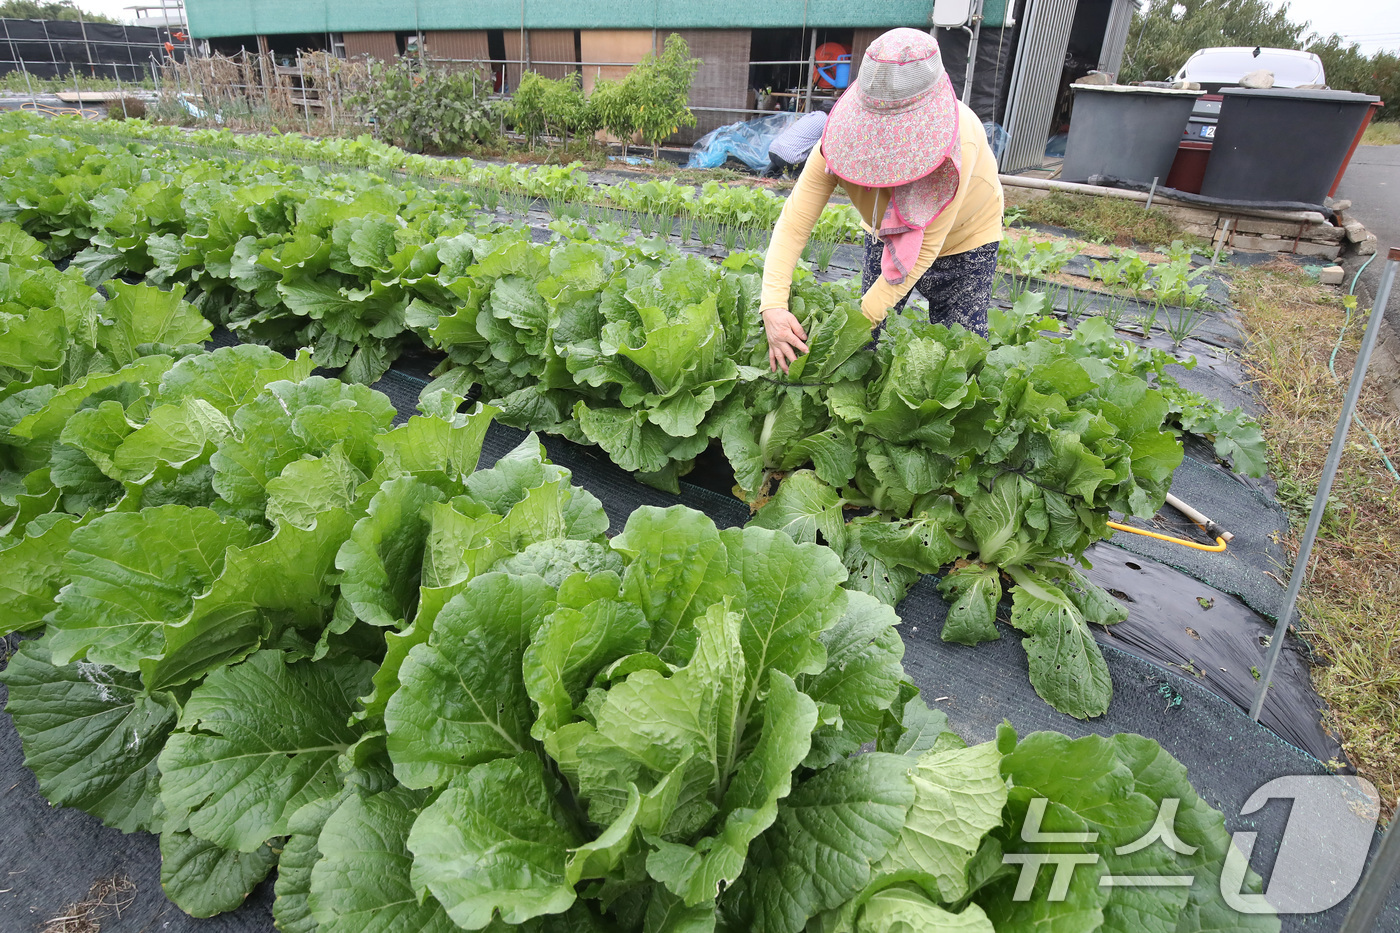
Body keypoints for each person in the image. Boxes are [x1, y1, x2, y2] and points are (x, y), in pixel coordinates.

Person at [760, 28, 1004, 373]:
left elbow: (922, 252)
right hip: (886, 233)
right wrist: (772, 305)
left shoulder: (958, 144)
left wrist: (842, 335)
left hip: (966, 238)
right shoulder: (838, 138)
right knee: (866, 350)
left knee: (960, 356)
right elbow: (795, 221)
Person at [762, 99, 834, 178]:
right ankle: (787, 178)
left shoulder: (810, 115)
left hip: (773, 150)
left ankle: (764, 176)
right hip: (789, 159)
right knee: (816, 156)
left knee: (785, 151)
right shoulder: (828, 122)